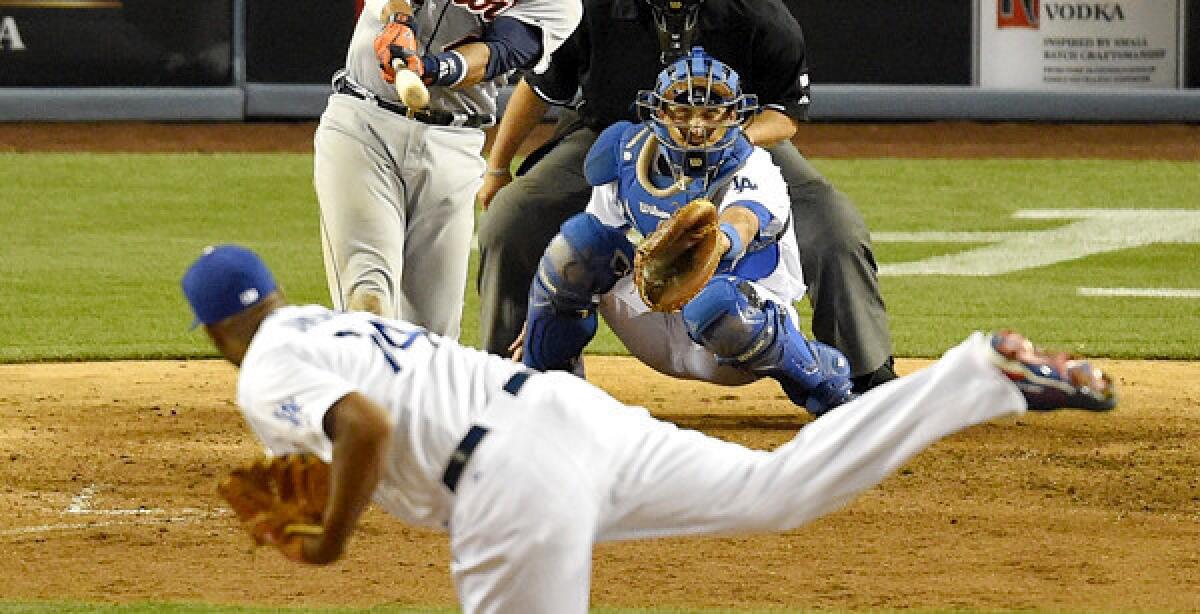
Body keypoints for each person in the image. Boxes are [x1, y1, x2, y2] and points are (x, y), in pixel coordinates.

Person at [182, 243, 1116, 614]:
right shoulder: (319, 323)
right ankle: (975, 377)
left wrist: (333, 541)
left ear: (216, 328)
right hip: (560, 411)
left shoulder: (264, 365)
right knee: (775, 489)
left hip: (508, 485)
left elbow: (366, 427)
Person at [477, 0, 896, 389]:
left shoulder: (758, 14)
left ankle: (866, 379)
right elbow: (540, 87)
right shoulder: (588, 3)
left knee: (836, 227)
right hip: (610, 133)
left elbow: (784, 115)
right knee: (510, 219)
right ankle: (510, 375)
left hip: (737, 139)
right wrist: (498, 168)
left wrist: (719, 143)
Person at [314, 0, 620, 339]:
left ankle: (421, 416)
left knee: (434, 333)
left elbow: (500, 52)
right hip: (363, 123)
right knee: (367, 295)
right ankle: (360, 412)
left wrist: (433, 67)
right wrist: (395, 18)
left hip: (452, 147)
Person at [517, 47, 855, 416]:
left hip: (732, 336)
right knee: (577, 247)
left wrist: (710, 244)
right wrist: (546, 312)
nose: (697, 128)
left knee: (713, 302)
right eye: (682, 112)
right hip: (653, 319)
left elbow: (741, 222)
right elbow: (594, 238)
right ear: (659, 112)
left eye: (711, 113)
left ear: (734, 116)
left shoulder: (755, 166)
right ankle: (546, 382)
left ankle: (821, 383)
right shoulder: (628, 154)